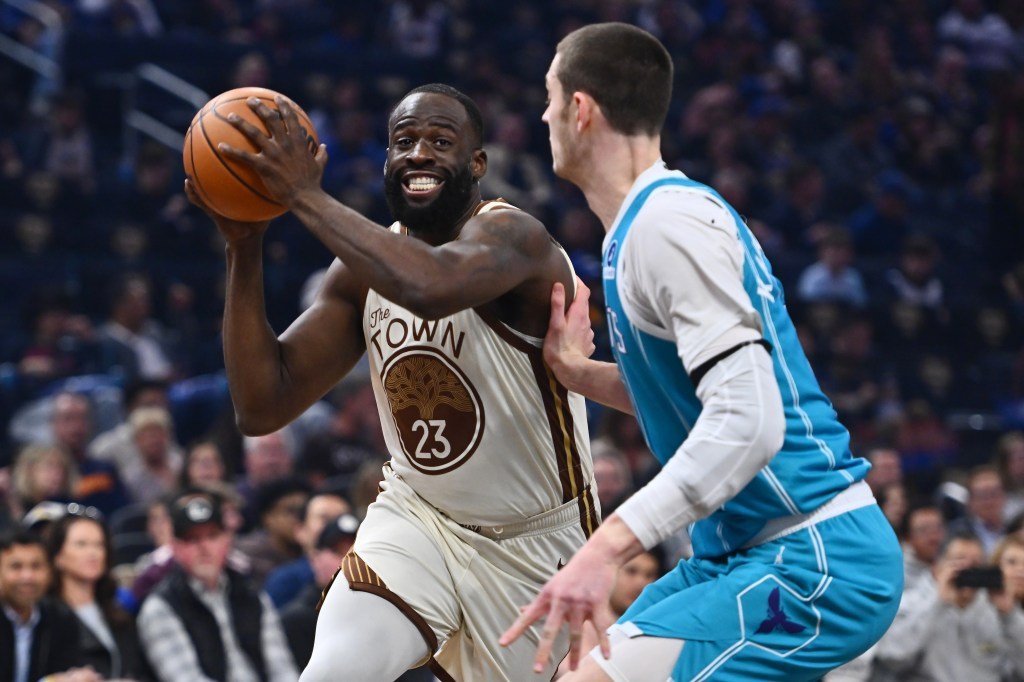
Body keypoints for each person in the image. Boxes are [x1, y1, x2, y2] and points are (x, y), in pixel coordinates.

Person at [502, 22, 902, 680]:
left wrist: (607, 546)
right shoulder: (642, 227)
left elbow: (750, 421)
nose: (542, 115)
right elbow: (693, 398)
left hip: (812, 553)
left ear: (580, 109)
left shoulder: (668, 226)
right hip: (737, 555)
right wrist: (576, 372)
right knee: (574, 671)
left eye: (548, 97)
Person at [185, 82, 595, 681]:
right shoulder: (359, 273)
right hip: (418, 517)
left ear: (477, 164)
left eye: (441, 142)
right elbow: (261, 405)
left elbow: (430, 286)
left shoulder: (516, 238)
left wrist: (304, 195)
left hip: (534, 541)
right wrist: (244, 248)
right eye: (403, 141)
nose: (419, 153)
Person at [136, 488, 298, 682]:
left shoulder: (251, 593)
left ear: (227, 540)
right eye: (192, 539)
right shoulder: (160, 607)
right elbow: (186, 679)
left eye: (212, 536)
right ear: (175, 547)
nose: (204, 548)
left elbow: (282, 670)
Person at [46, 513, 142, 679]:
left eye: (99, 545)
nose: (93, 553)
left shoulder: (119, 612)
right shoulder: (46, 617)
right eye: (81, 544)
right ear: (57, 556)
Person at [0, 529, 99, 682]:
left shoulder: (61, 618)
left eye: (36, 566)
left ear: (50, 572)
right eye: (16, 567)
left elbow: (67, 669)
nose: (27, 577)